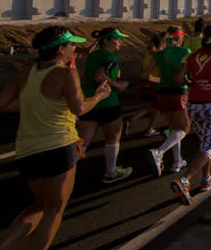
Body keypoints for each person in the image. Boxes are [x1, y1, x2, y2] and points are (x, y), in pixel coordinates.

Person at [0, 27, 110, 250]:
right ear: (59, 50)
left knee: (39, 207)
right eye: (71, 47)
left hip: (27, 151)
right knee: (54, 210)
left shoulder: (26, 74)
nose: (75, 51)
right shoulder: (66, 73)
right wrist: (99, 96)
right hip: (59, 147)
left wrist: (34, 106)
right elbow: (79, 109)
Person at [170, 25, 211, 205]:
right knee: (209, 146)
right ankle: (185, 179)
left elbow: (178, 79)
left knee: (204, 143)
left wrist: (192, 81)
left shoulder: (190, 56)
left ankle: (206, 180)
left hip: (194, 106)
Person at [78, 28, 133, 184]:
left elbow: (86, 75)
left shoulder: (92, 56)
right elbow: (99, 75)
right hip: (108, 103)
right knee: (113, 138)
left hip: (90, 102)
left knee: (83, 142)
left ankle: (64, 170)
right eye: (117, 39)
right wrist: (118, 85)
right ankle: (111, 172)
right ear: (107, 41)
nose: (120, 42)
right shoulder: (110, 56)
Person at [143, 27, 191, 176]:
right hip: (178, 91)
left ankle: (177, 161)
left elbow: (145, 75)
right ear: (179, 39)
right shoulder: (185, 52)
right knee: (184, 128)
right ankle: (159, 152)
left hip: (162, 92)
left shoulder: (159, 54)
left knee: (175, 129)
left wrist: (160, 80)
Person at [123, 35, 163, 138]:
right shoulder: (158, 56)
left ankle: (129, 120)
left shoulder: (147, 55)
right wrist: (160, 80)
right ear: (161, 44)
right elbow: (150, 73)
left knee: (147, 107)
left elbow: (141, 71)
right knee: (156, 109)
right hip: (154, 85)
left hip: (144, 84)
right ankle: (150, 129)